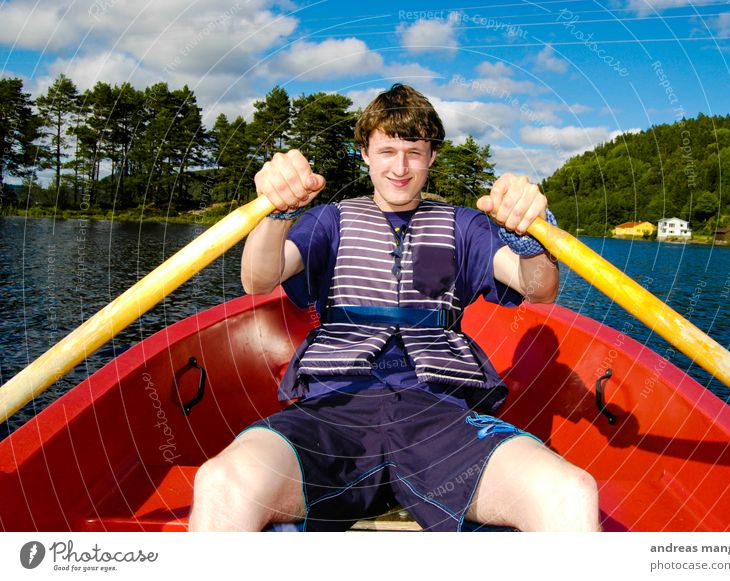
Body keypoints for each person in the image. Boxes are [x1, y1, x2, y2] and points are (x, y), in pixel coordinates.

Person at [189, 84, 599, 532]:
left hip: (440, 418)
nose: (400, 167)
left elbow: (536, 286)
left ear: (432, 157)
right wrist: (276, 212)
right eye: (386, 151)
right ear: (364, 153)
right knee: (221, 483)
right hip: (332, 412)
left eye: (414, 152)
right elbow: (259, 277)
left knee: (569, 493)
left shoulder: (465, 225)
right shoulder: (330, 220)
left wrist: (529, 236)